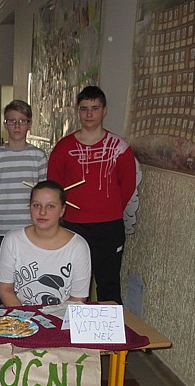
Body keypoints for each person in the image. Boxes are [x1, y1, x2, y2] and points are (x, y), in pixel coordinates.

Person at [47, 86, 136, 303]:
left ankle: (110, 325)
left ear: (104, 111)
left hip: (109, 227)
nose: (89, 114)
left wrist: (108, 209)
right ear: (77, 111)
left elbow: (128, 185)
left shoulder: (120, 147)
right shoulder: (63, 148)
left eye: (95, 108)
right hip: (72, 226)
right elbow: (54, 187)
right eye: (84, 108)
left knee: (108, 283)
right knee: (71, 285)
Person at [0, 181, 91, 306]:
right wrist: (24, 316)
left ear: (62, 210)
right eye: (36, 205)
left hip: (62, 315)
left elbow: (78, 298)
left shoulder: (78, 246)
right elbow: (6, 290)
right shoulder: (12, 240)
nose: (42, 212)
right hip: (19, 314)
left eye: (51, 206)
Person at [0, 99, 47, 260]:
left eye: (22, 121)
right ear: (5, 124)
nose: (17, 126)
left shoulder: (38, 156)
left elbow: (43, 191)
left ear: (29, 124)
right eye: (12, 121)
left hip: (31, 225)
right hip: (3, 227)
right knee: (5, 270)